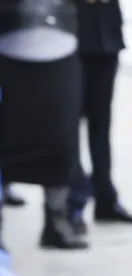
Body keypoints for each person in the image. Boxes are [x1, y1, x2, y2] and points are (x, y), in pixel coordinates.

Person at [0, 0, 88, 250]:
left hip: (60, 48)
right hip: (8, 50)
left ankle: (56, 222)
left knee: (61, 141)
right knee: (5, 140)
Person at [68, 0, 132, 235]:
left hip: (105, 35)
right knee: (67, 126)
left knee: (101, 123)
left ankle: (105, 197)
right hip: (70, 34)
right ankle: (71, 203)